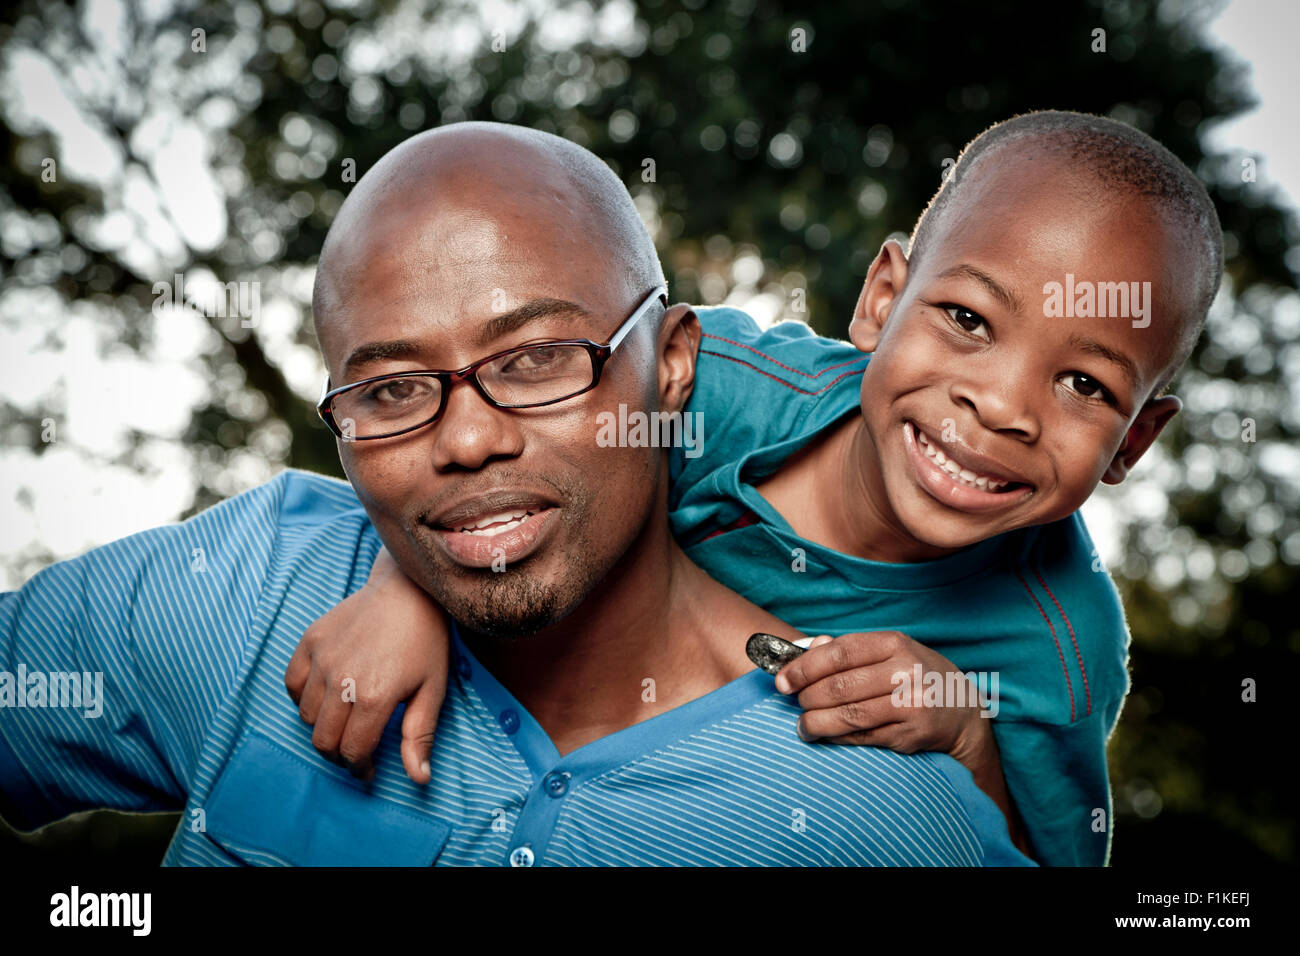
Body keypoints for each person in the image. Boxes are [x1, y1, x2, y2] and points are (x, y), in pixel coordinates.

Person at [0, 122, 1031, 866]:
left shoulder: (876, 809)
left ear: (670, 366)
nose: (467, 437)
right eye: (393, 389)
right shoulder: (248, 586)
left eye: (538, 359)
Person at [289, 111, 1224, 866]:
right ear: (882, 298)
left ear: (1133, 439)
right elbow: (496, 455)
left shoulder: (1061, 645)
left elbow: (1040, 859)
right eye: (968, 319)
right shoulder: (723, 381)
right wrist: (402, 591)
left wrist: (968, 737)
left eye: (1085, 386)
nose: (1003, 407)